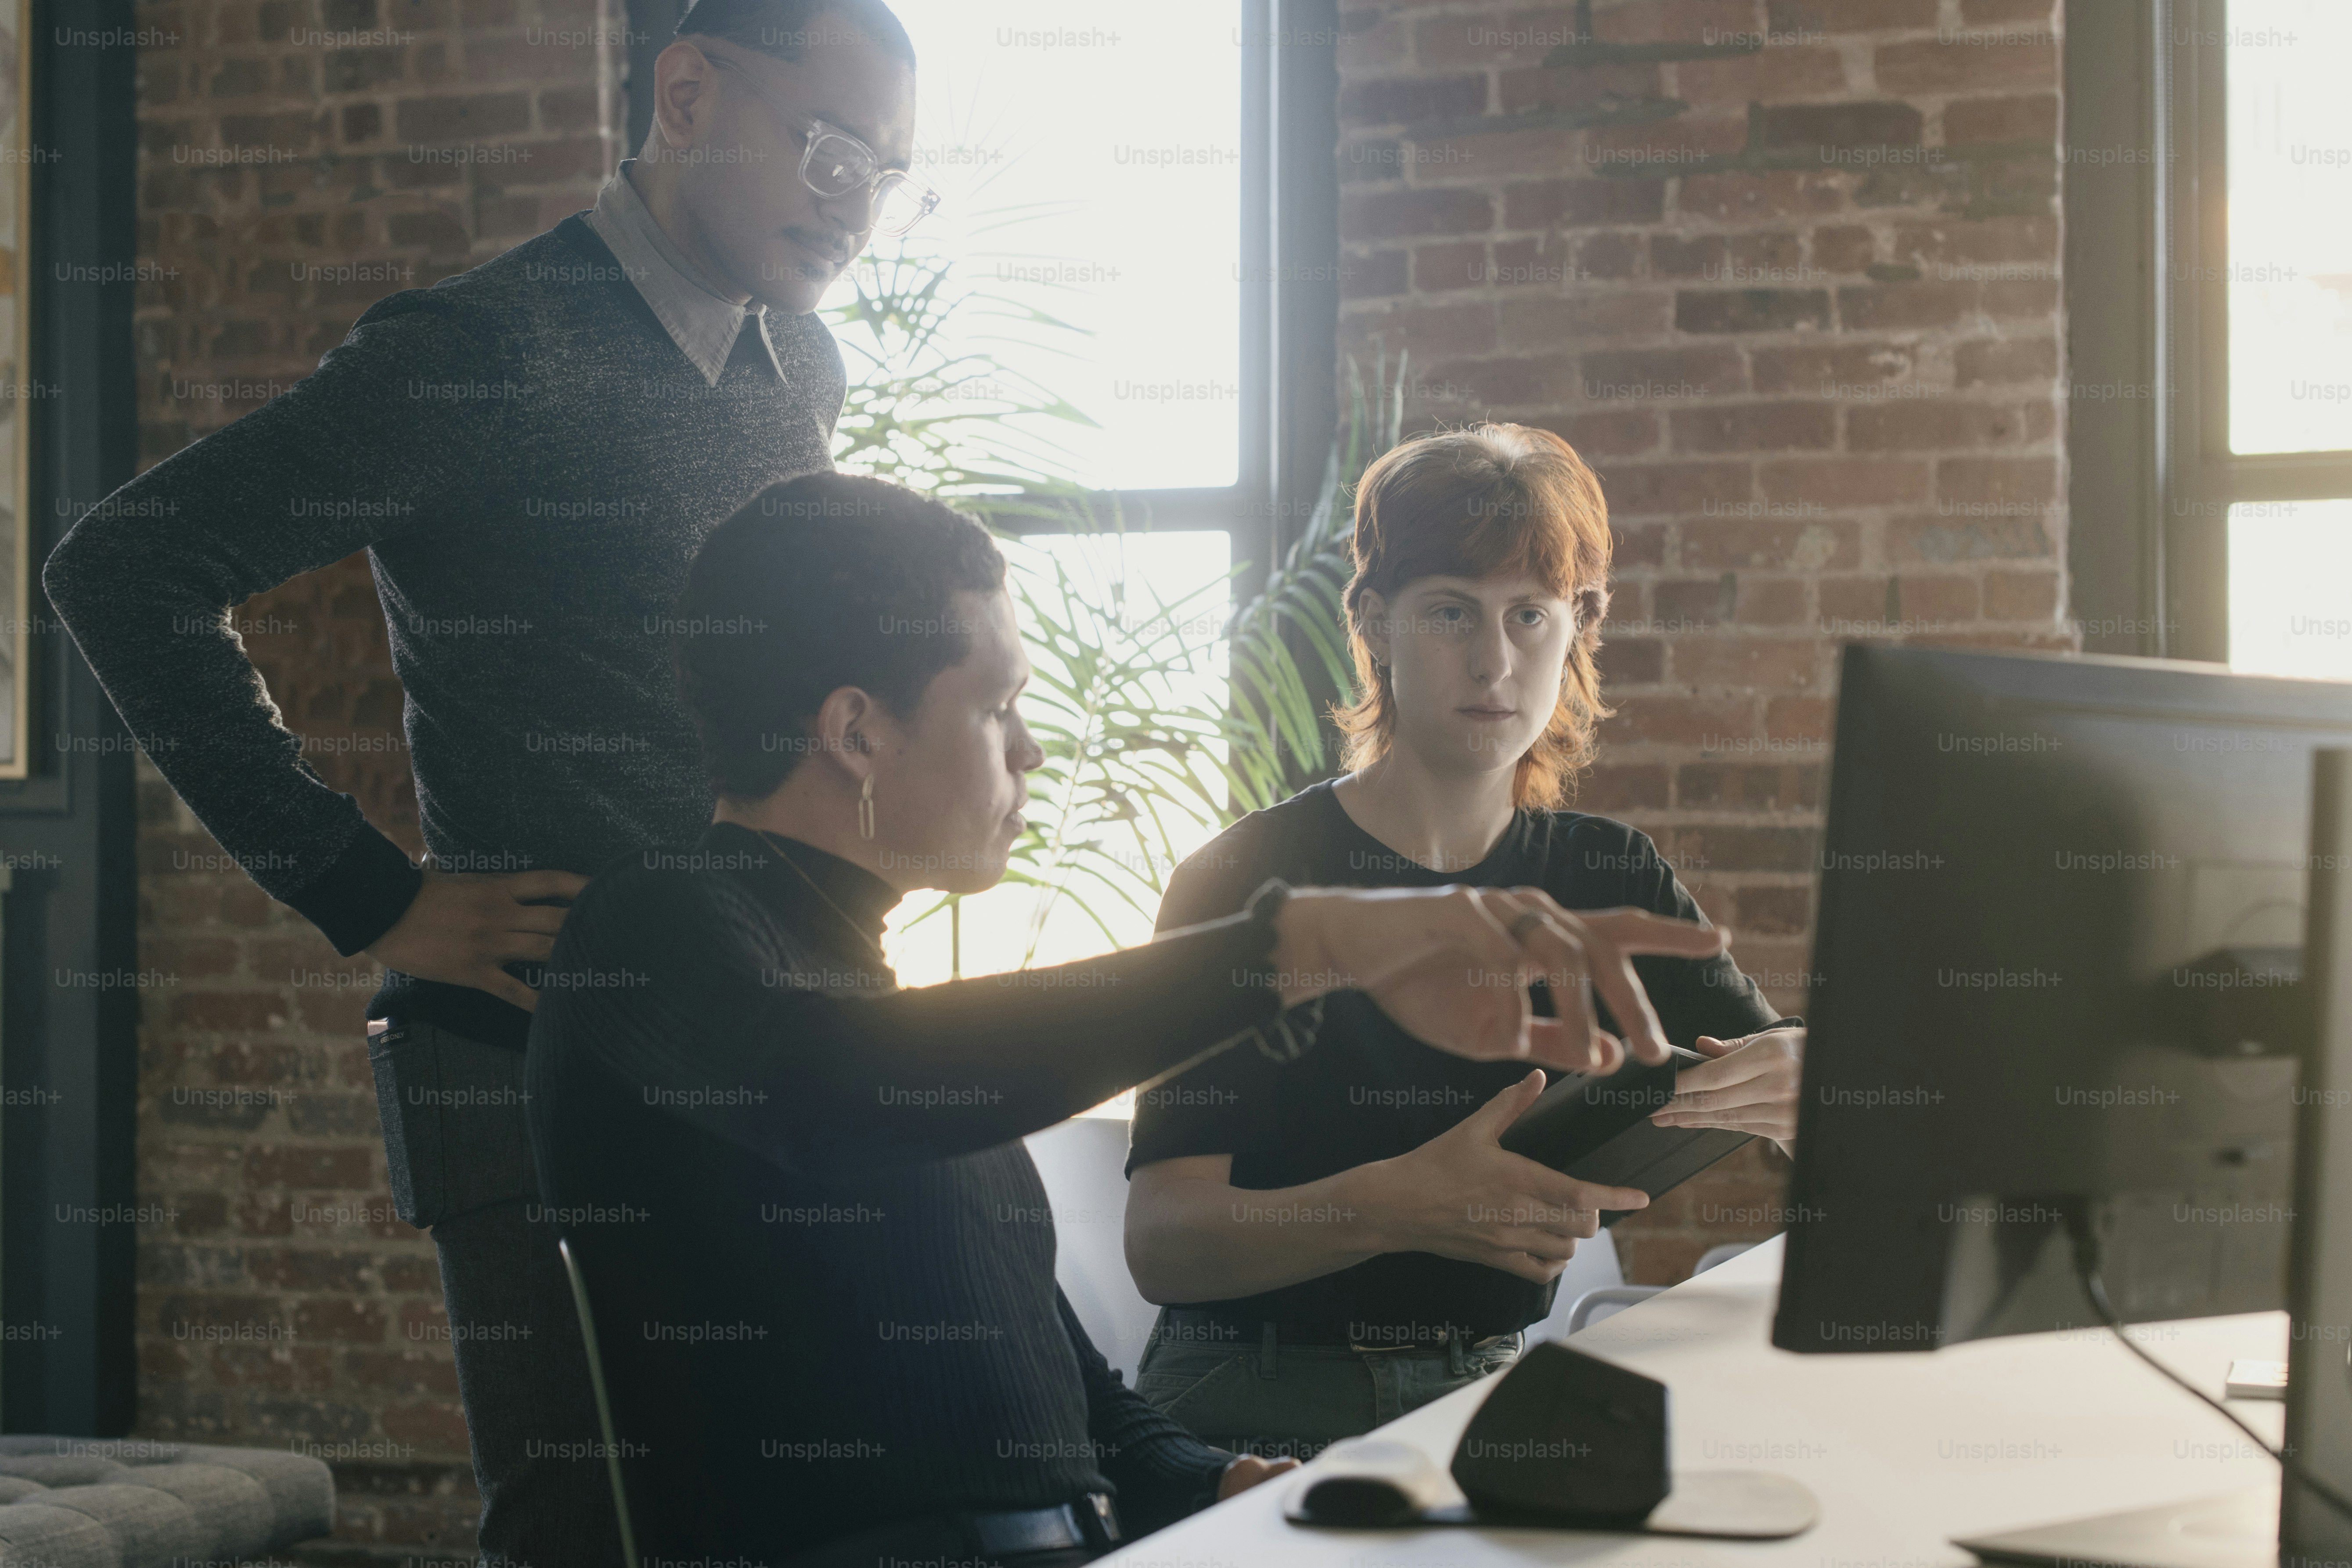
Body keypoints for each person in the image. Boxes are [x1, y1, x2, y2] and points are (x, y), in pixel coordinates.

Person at [40, 3, 933, 1560]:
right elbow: (125, 567)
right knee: (589, 1530)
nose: (855, 197)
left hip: (759, 1027)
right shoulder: (477, 351)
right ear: (685, 88)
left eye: (892, 170)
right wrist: (368, 892)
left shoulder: (801, 361)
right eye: (829, 143)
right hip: (525, 1055)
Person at [522, 471, 1728, 1567]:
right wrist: (1301, 943)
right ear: (855, 733)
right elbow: (837, 1096)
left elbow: (1061, 1387)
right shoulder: (653, 931)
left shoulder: (878, 1009)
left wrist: (1214, 1478)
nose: (1032, 750)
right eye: (996, 708)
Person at [1120, 424, 1808, 1460]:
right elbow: (1164, 1245)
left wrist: (1815, 1085)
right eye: (1450, 611)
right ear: (1375, 623)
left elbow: (1793, 1089)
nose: (1494, 661)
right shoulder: (1241, 880)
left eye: (1530, 616)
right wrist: (1392, 1208)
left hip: (1487, 1390)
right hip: (1253, 1397)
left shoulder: (1608, 873)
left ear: (1579, 625)